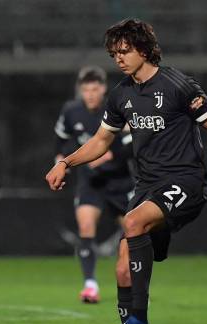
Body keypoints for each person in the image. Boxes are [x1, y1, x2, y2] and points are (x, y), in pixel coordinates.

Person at [45, 18, 207, 324]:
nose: (118, 58)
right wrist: (67, 163)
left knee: (132, 222)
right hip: (148, 187)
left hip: (186, 182)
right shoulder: (121, 94)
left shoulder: (178, 85)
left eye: (125, 51)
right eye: (113, 53)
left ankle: (138, 322)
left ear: (145, 50)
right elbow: (102, 140)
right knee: (121, 268)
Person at [54, 66, 134, 303]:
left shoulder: (116, 107)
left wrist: (111, 155)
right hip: (91, 182)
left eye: (95, 88)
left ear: (103, 88)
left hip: (119, 181)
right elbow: (60, 141)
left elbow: (132, 144)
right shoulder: (71, 111)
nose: (90, 94)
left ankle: (133, 285)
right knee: (86, 227)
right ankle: (90, 285)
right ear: (81, 90)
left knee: (135, 233)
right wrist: (60, 163)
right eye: (86, 89)